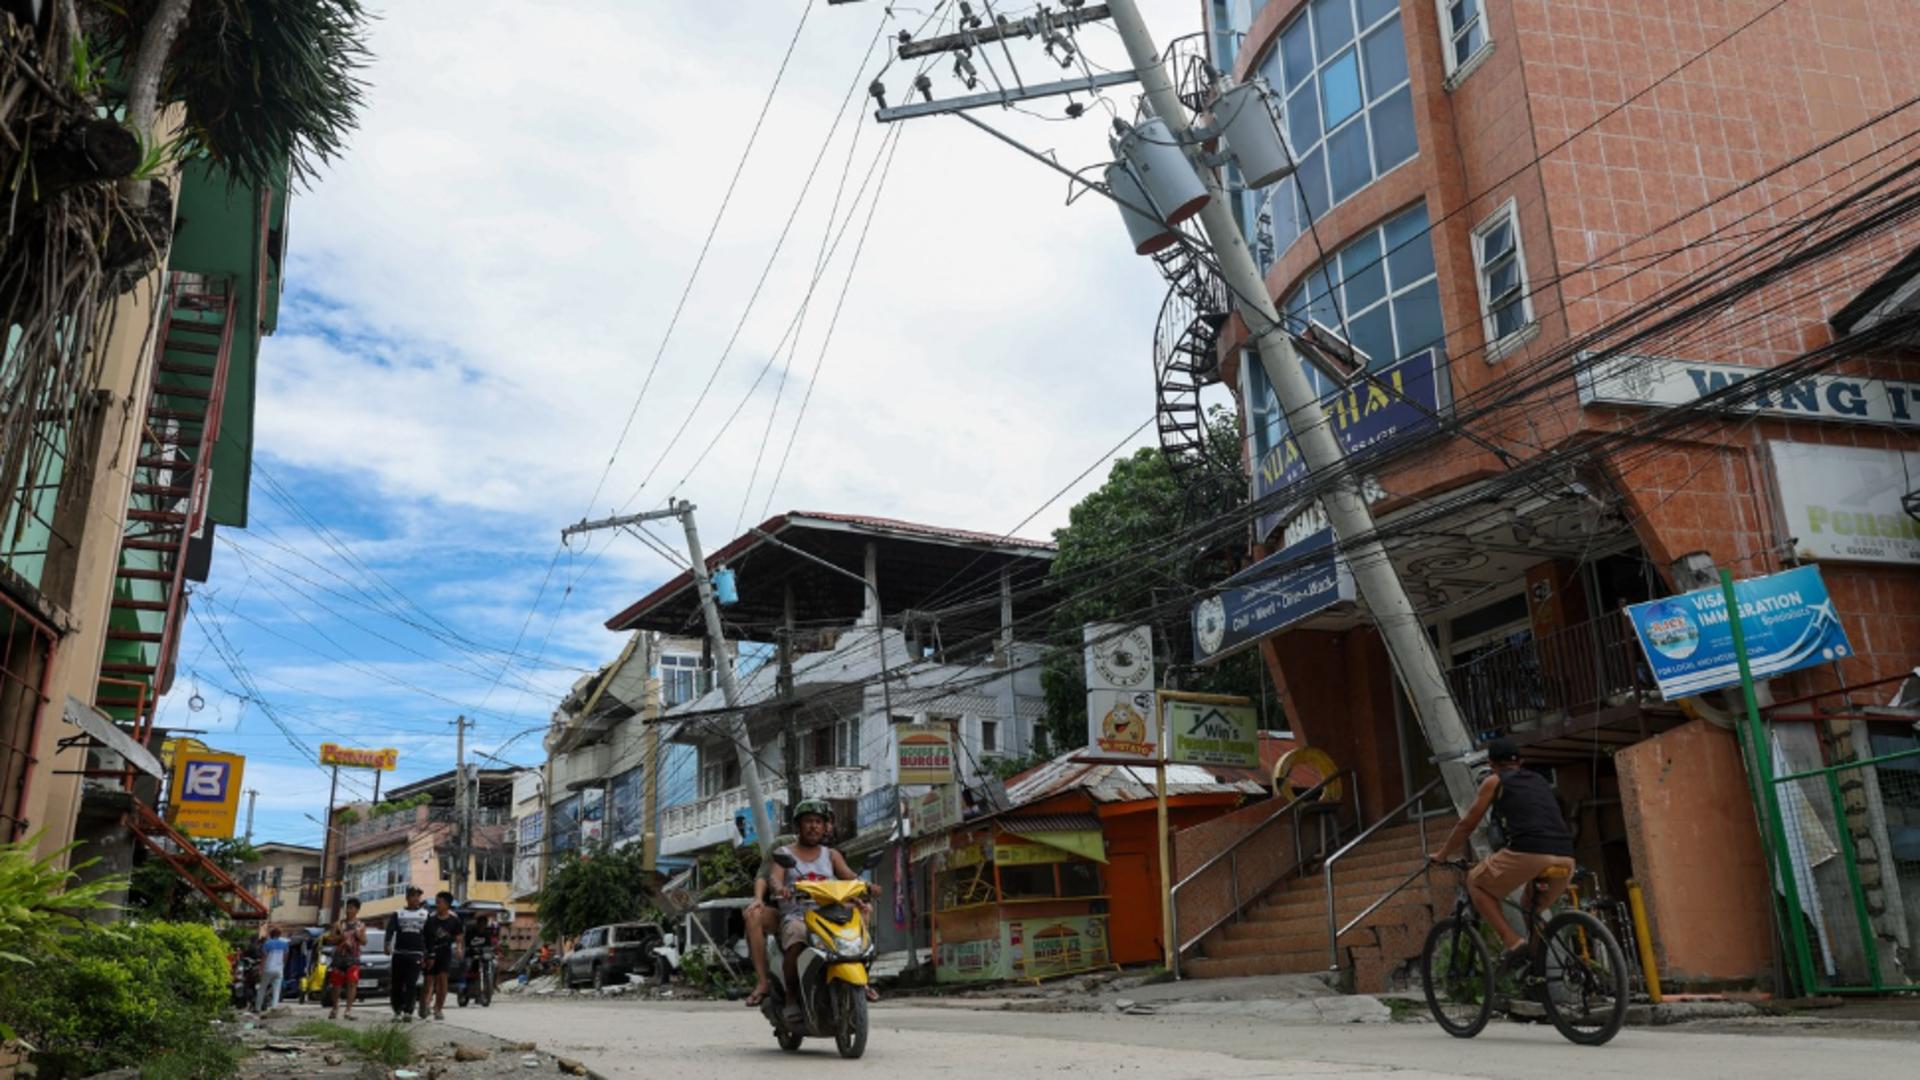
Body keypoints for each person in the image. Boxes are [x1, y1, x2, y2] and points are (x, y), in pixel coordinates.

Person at [1430, 736, 1578, 970]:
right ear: (1520, 761)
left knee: (1476, 883)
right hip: (1566, 856)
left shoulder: (1494, 781)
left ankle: (1513, 942)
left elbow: (1467, 824)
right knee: (1531, 906)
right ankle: (1537, 967)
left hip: (1529, 852)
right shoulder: (1540, 780)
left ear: (1490, 763)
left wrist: (1442, 854)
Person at [768, 801, 880, 1025]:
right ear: (798, 826)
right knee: (796, 938)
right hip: (798, 916)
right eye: (808, 821)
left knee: (862, 915)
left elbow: (850, 876)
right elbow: (774, 878)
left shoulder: (831, 855)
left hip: (829, 914)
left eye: (818, 822)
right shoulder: (784, 853)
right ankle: (791, 998)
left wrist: (867, 887)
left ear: (825, 827)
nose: (813, 826)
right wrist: (780, 889)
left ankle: (862, 982)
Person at [385, 886, 430, 1021]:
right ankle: (397, 1010)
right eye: (413, 896)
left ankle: (408, 1011)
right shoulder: (398, 914)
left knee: (411, 983)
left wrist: (428, 954)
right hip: (399, 953)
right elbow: (390, 931)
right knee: (397, 983)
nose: (416, 899)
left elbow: (429, 935)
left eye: (418, 896)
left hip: (416, 953)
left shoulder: (425, 914)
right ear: (407, 898)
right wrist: (387, 944)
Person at [422, 890, 463, 1021]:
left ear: (447, 904)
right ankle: (426, 1004)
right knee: (428, 981)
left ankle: (438, 1008)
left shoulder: (454, 919)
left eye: (439, 902)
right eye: (436, 902)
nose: (437, 905)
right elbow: (425, 937)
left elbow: (459, 936)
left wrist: (458, 948)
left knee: (442, 980)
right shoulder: (430, 919)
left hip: (445, 953)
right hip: (430, 952)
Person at [328, 898, 368, 1021]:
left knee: (352, 983)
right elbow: (331, 939)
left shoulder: (360, 925)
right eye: (348, 907)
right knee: (336, 985)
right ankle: (335, 1008)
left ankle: (348, 1010)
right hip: (339, 957)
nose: (349, 910)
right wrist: (340, 937)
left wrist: (358, 936)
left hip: (353, 958)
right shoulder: (339, 924)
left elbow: (364, 942)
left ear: (357, 910)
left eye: (352, 908)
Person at [461, 910, 499, 1000]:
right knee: (468, 966)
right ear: (477, 924)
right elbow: (465, 944)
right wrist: (469, 949)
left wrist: (493, 950)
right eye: (481, 923)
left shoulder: (487, 934)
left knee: (496, 965)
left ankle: (493, 985)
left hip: (483, 956)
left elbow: (490, 946)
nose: (482, 925)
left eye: (484, 924)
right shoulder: (470, 932)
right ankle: (465, 988)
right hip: (472, 955)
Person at [255, 925, 289, 1013]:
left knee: (262, 989)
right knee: (276, 990)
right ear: (279, 935)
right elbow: (285, 957)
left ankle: (257, 1008)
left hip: (268, 968)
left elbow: (264, 958)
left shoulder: (267, 944)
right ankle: (274, 1007)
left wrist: (260, 969)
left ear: (271, 934)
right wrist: (282, 966)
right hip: (279, 969)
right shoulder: (285, 944)